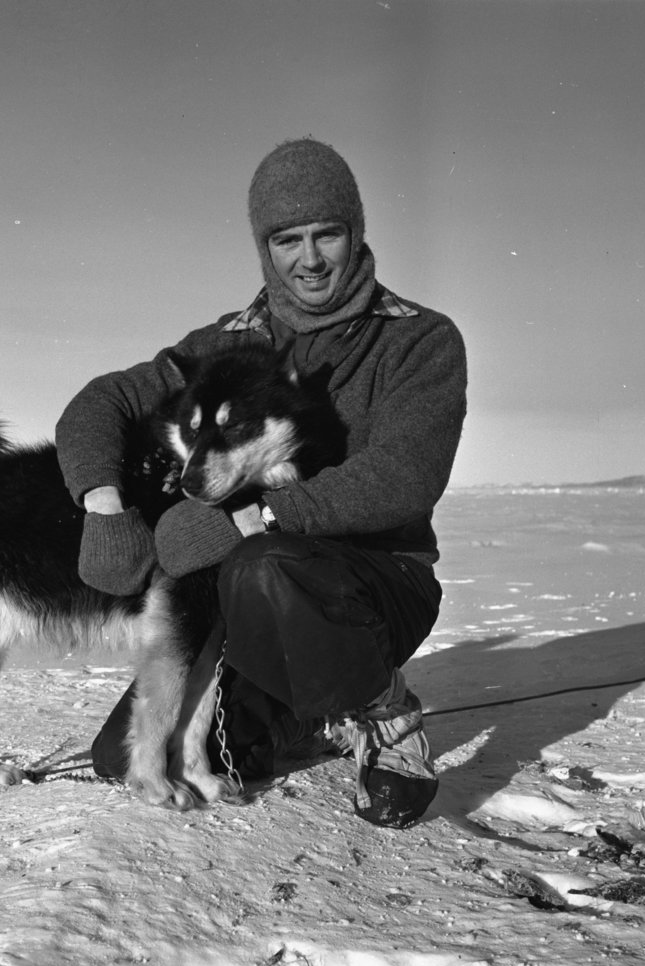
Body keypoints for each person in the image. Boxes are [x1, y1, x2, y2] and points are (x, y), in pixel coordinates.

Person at [55, 138, 467, 828]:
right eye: (287, 239)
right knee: (120, 754)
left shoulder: (419, 340)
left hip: (375, 583)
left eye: (326, 234)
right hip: (250, 602)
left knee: (264, 564)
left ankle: (383, 713)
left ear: (355, 232)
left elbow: (403, 477)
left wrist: (250, 518)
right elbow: (103, 402)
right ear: (264, 248)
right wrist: (102, 503)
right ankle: (310, 714)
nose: (309, 258)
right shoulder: (227, 343)